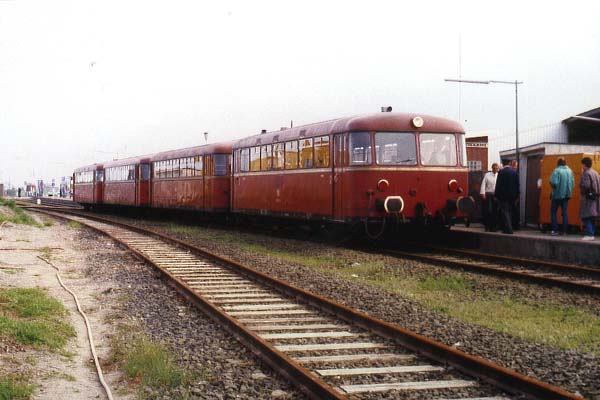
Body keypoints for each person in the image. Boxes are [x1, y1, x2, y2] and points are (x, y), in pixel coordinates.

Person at [549, 157, 575, 235]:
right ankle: (564, 231)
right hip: (566, 196)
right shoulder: (570, 171)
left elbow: (554, 182)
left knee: (553, 212)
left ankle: (555, 230)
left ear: (558, 163)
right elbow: (573, 184)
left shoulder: (557, 171)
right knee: (564, 213)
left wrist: (553, 187)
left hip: (557, 195)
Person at [494, 159, 520, 234]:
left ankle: (509, 229)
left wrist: (496, 195)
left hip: (503, 196)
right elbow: (517, 185)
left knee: (505, 212)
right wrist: (517, 195)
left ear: (503, 164)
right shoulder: (514, 172)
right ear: (509, 163)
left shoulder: (501, 172)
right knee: (510, 211)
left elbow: (498, 185)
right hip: (513, 196)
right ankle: (507, 228)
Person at [579, 157, 600, 241]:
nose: (582, 166)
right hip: (596, 197)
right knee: (592, 217)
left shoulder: (586, 173)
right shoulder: (595, 172)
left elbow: (586, 185)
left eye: (582, 164)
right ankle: (592, 233)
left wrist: (581, 186)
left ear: (584, 164)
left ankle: (590, 234)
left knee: (585, 216)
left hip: (588, 198)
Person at [480, 163, 499, 231]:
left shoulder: (499, 175)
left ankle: (493, 227)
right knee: (489, 211)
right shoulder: (487, 175)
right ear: (492, 168)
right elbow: (483, 184)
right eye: (494, 168)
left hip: (496, 195)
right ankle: (487, 226)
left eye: (497, 169)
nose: (495, 170)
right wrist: (483, 193)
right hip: (488, 195)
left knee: (495, 211)